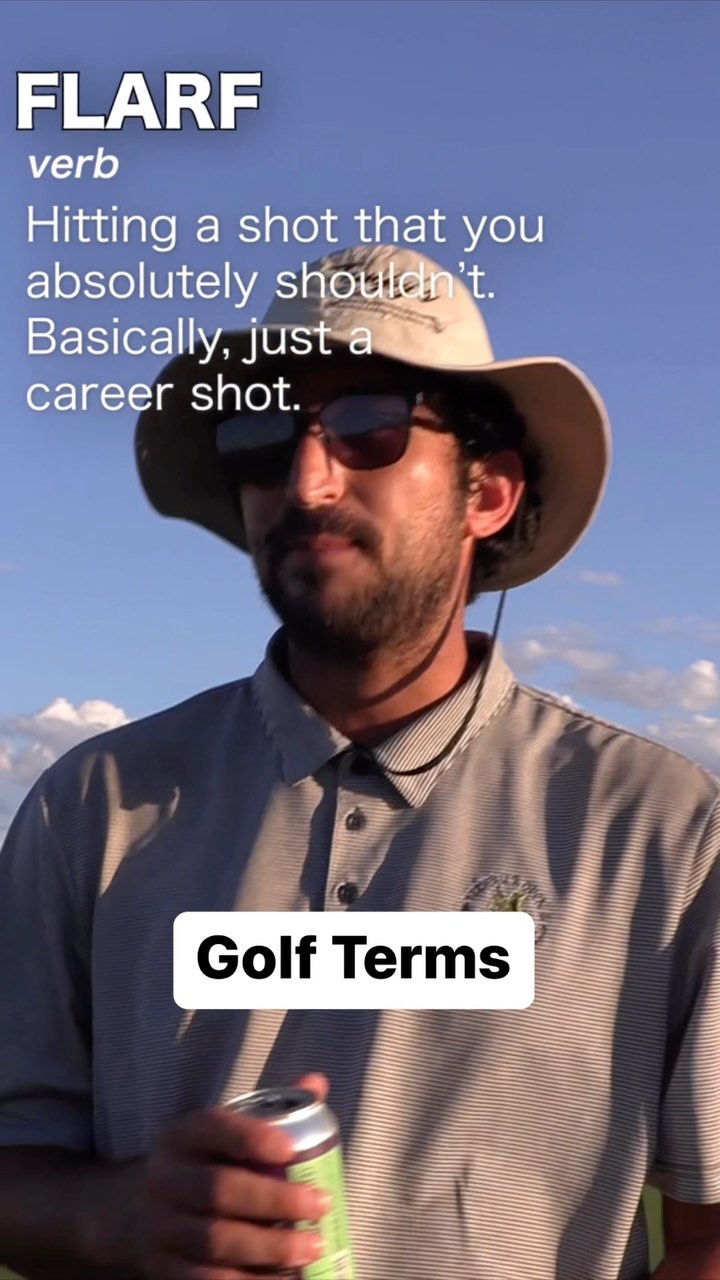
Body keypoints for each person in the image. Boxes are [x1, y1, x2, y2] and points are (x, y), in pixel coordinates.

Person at [0, 243, 719, 1280]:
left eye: (369, 424)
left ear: (489, 492)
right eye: (261, 432)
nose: (307, 480)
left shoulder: (663, 829)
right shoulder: (94, 807)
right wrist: (113, 1217)